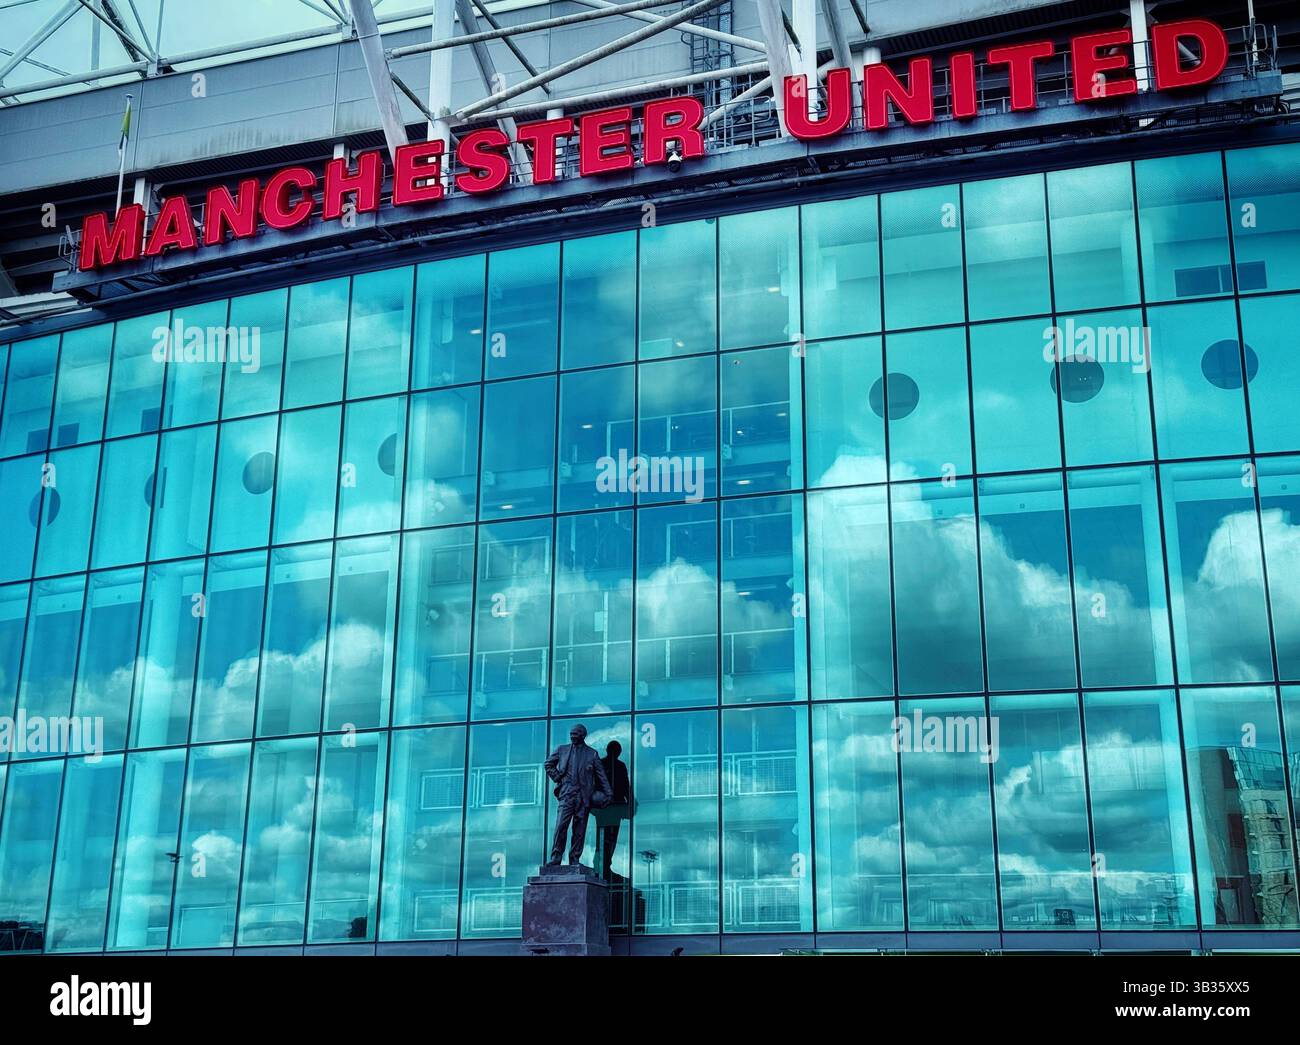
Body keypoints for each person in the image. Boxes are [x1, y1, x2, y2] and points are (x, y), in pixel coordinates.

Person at [544, 723, 610, 867]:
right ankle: (556, 857)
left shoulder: (592, 754)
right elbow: (548, 764)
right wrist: (557, 777)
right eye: (571, 734)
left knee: (579, 830)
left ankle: (574, 858)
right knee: (561, 826)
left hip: (583, 796)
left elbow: (601, 776)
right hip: (567, 794)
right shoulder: (562, 750)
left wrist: (608, 793)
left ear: (583, 735)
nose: (572, 736)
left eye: (575, 734)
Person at [599, 740, 632, 879]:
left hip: (615, 806)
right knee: (605, 837)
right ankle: (602, 865)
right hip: (604, 806)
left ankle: (606, 864)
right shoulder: (601, 764)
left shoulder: (620, 766)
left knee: (611, 837)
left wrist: (629, 803)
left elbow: (625, 785)